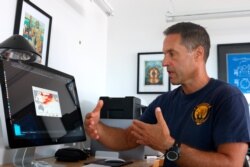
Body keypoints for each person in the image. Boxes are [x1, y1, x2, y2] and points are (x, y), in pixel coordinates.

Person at [84, 22, 250, 167]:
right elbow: (127, 138)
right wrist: (98, 127)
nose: (164, 62)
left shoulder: (228, 98)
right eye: (164, 54)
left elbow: (231, 163)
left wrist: (170, 146)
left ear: (198, 54)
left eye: (172, 53)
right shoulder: (164, 102)